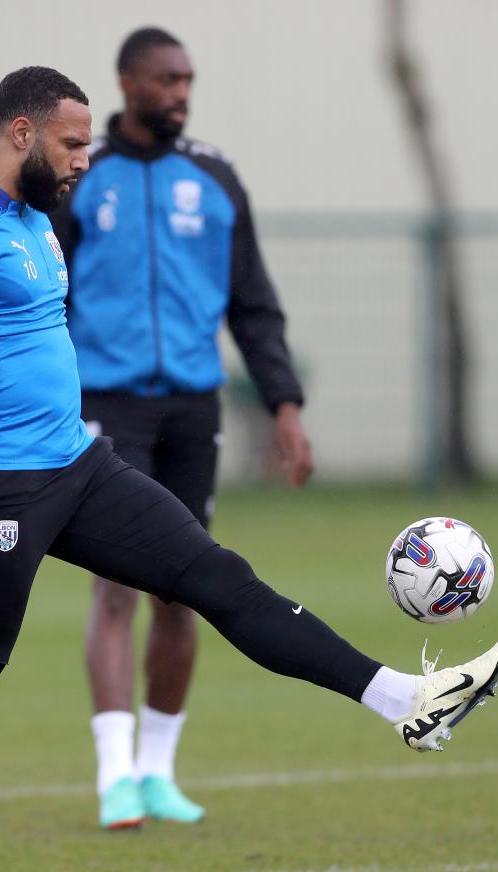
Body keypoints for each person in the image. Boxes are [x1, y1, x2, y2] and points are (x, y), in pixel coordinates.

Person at [0, 64, 498, 872]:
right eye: (72, 142)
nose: (86, 159)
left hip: (79, 467)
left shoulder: (38, 221)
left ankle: (404, 702)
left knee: (215, 576)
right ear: (19, 132)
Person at [49, 27, 314, 830]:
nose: (180, 93)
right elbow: (43, 302)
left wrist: (285, 405)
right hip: (108, 405)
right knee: (117, 583)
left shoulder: (216, 177)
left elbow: (254, 304)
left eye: (187, 79)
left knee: (183, 588)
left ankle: (159, 772)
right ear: (128, 82)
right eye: (166, 79)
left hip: (193, 408)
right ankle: (113, 776)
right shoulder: (79, 181)